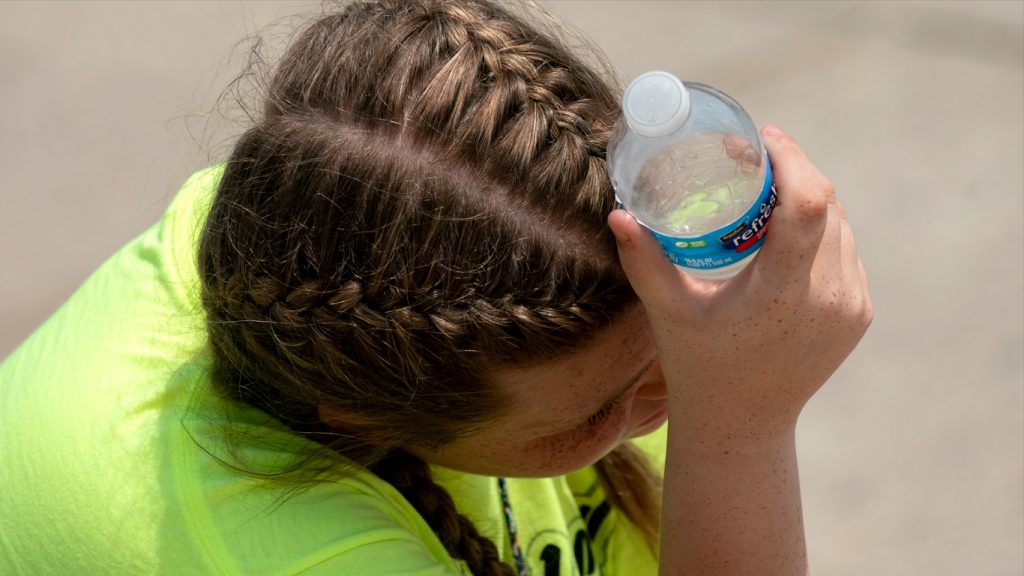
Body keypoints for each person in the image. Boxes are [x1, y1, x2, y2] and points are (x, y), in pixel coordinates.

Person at [0, 1, 871, 574]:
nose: (680, 396)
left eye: (667, 343)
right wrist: (742, 431)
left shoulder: (329, 235)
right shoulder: (271, 553)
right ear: (365, 419)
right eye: (591, 415)